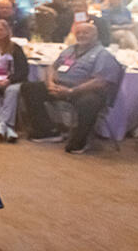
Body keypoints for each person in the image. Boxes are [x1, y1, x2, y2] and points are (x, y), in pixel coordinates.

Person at [22, 22, 124, 154]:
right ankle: (47, 131)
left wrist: (72, 91)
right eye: (78, 33)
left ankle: (80, 141)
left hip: (86, 91)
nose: (81, 35)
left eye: (85, 33)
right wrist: (51, 83)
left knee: (89, 102)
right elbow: (53, 67)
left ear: (95, 35)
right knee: (29, 88)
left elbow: (101, 81)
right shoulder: (70, 50)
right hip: (60, 86)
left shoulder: (103, 54)